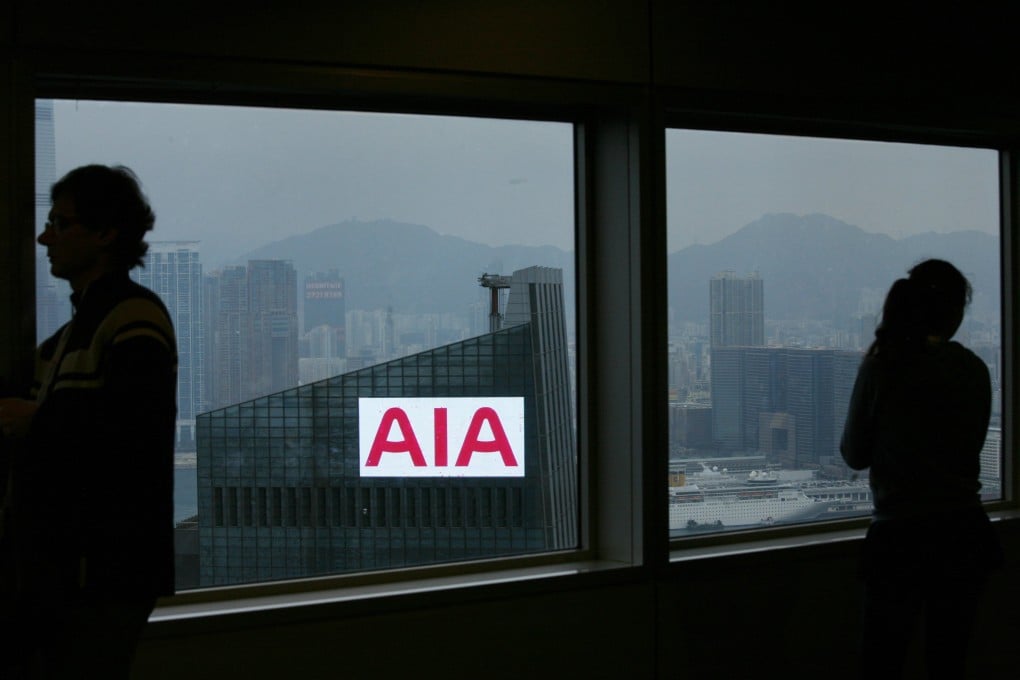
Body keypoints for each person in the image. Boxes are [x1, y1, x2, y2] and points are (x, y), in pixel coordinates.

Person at [0, 164, 177, 678]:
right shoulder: (68, 339)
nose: (45, 238)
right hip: (69, 574)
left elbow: (130, 436)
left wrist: (36, 422)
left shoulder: (133, 318)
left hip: (100, 574)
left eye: (60, 223)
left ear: (105, 233)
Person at [841, 258, 1002, 679]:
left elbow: (854, 454)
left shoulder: (884, 366)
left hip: (900, 537)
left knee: (882, 661)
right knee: (949, 661)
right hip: (965, 533)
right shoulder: (973, 368)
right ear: (955, 312)